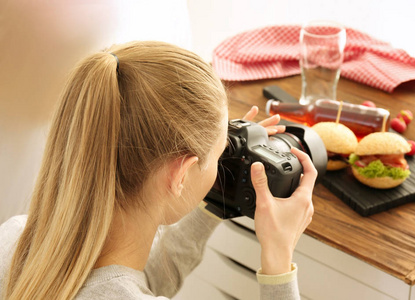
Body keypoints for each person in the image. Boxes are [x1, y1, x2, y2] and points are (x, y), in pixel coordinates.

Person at [0, 41, 316, 300]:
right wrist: (278, 257)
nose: (219, 166)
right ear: (180, 175)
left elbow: (125, 285)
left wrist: (218, 199)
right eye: (219, 156)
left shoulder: (14, 237)